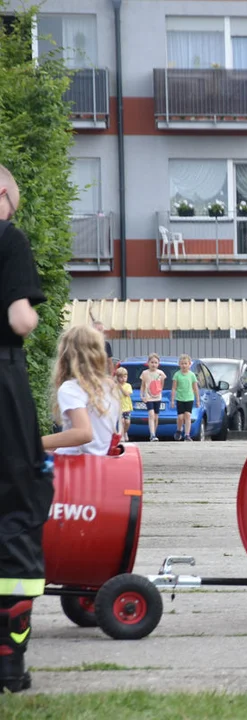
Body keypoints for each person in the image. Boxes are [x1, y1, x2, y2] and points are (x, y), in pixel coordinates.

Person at [0, 164, 52, 693]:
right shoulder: (7, 237)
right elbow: (19, 320)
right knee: (18, 502)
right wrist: (33, 316)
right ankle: (9, 663)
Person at [41, 325, 121, 456]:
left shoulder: (71, 388)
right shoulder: (109, 387)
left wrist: (34, 444)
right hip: (98, 463)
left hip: (73, 466)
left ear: (66, 355)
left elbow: (83, 433)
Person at [170, 354, 199, 441]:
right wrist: (172, 400)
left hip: (189, 398)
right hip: (180, 398)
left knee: (188, 415)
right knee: (180, 417)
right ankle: (179, 430)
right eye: (182, 363)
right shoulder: (177, 375)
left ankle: (187, 434)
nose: (184, 365)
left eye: (185, 363)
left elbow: (195, 388)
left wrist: (197, 400)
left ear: (189, 364)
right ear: (179, 364)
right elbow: (174, 388)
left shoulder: (192, 375)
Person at [139, 354, 166, 441]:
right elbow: (143, 385)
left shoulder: (160, 373)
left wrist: (159, 390)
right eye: (152, 362)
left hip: (157, 397)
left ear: (158, 364)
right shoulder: (145, 373)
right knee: (151, 414)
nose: (153, 364)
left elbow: (161, 384)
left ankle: (154, 433)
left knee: (156, 416)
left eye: (155, 362)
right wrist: (142, 395)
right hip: (148, 397)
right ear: (148, 363)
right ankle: (152, 434)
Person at [116, 366, 133, 442]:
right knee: (122, 421)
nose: (123, 379)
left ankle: (125, 432)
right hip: (119, 408)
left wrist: (120, 387)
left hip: (127, 407)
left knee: (127, 422)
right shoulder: (115, 386)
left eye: (125, 377)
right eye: (121, 377)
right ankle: (121, 435)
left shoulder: (128, 386)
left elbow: (127, 394)